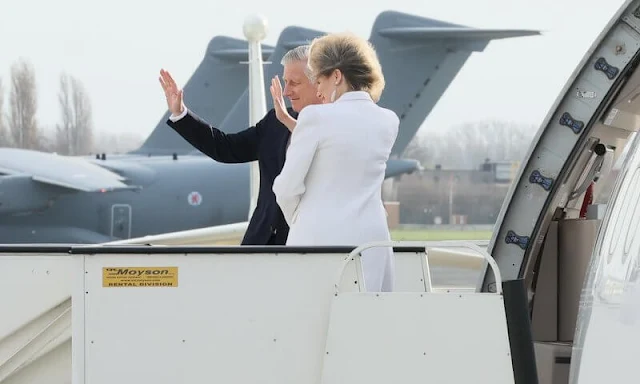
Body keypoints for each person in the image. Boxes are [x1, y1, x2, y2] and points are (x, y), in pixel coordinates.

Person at [270, 33, 399, 292]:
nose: (317, 89)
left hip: (318, 242)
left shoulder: (315, 117)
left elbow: (285, 187)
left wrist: (299, 218)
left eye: (318, 79)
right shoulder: (388, 120)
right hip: (372, 242)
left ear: (337, 76)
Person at [158, 45, 321, 245]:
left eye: (294, 83)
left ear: (319, 83)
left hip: (310, 247)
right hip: (261, 246)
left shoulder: (338, 129)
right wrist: (181, 113)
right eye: (285, 82)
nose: (286, 91)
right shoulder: (275, 122)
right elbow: (226, 148)